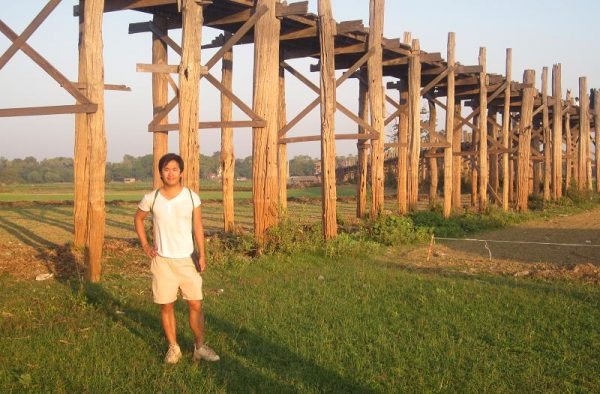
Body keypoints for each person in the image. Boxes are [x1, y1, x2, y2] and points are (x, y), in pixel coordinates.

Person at [134, 153, 220, 364]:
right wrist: (145, 244)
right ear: (160, 173)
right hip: (162, 261)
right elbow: (138, 218)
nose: (170, 173)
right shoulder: (151, 198)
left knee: (196, 304)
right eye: (166, 169)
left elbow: (198, 227)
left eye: (174, 169)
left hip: (187, 260)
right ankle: (173, 348)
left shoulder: (191, 197)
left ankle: (199, 346)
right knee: (166, 306)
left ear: (181, 172)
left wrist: (202, 254)